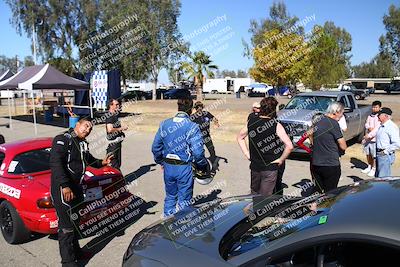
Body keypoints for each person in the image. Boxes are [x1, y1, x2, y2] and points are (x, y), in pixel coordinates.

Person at [50, 117, 112, 267]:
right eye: (85, 126)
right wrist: (65, 185)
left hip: (76, 188)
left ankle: (77, 252)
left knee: (75, 223)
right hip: (63, 189)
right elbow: (55, 162)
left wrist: (100, 163)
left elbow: (86, 159)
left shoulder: (82, 143)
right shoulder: (63, 139)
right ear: (77, 125)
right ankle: (68, 262)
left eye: (90, 128)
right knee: (66, 227)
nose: (87, 130)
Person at [152, 98, 208, 217]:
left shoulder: (164, 124)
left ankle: (167, 224)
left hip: (168, 167)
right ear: (191, 109)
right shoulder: (192, 126)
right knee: (184, 201)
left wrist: (161, 162)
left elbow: (155, 147)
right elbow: (198, 152)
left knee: (170, 196)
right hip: (184, 168)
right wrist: (202, 165)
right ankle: (182, 229)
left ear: (178, 108)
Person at [237, 97, 293, 197]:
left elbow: (240, 137)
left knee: (254, 194)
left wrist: (247, 154)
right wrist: (281, 160)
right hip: (270, 167)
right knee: (265, 197)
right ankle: (264, 212)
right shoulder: (276, 125)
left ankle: (255, 211)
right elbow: (289, 146)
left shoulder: (251, 121)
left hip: (255, 165)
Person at [311, 102, 347, 193]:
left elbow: (309, 134)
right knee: (330, 193)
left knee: (317, 191)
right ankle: (327, 207)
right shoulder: (333, 123)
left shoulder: (317, 120)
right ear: (336, 112)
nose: (342, 116)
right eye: (342, 113)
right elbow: (343, 146)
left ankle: (314, 206)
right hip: (330, 164)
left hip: (316, 163)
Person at [375, 107, 400, 178]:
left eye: (379, 114)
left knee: (383, 179)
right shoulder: (382, 126)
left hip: (384, 155)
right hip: (379, 154)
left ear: (386, 116)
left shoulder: (391, 127)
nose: (377, 116)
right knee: (378, 178)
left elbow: (397, 143)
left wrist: (385, 151)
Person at [106, 99, 128, 170]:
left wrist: (121, 133)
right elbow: (110, 130)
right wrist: (121, 128)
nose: (118, 106)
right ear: (111, 105)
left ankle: (119, 180)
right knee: (114, 165)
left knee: (117, 164)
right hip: (113, 144)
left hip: (117, 143)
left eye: (118, 104)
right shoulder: (110, 116)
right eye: (116, 104)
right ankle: (117, 180)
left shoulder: (114, 115)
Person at [361, 101, 381, 176]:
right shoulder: (370, 115)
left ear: (379, 108)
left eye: (376, 107)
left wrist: (372, 131)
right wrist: (368, 127)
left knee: (374, 155)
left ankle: (374, 168)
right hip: (368, 138)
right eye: (373, 107)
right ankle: (369, 166)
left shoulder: (379, 117)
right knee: (368, 153)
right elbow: (366, 123)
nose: (374, 108)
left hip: (374, 139)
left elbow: (377, 128)